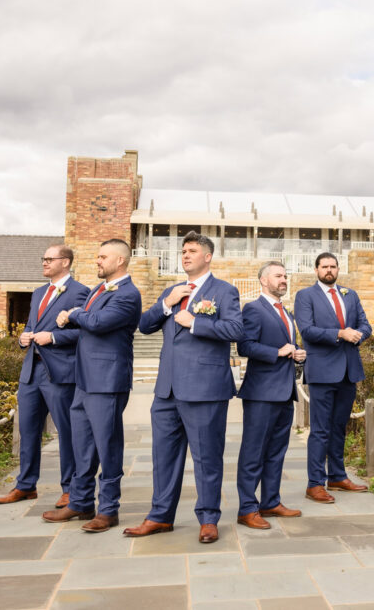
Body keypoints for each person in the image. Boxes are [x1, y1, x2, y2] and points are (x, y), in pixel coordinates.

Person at [123, 232, 242, 544]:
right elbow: (145, 325)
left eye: (192, 251)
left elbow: (235, 329)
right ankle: (160, 516)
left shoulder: (224, 291)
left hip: (204, 389)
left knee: (207, 457)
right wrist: (167, 303)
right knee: (163, 456)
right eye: (183, 251)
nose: (185, 255)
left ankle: (208, 518)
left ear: (207, 257)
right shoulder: (172, 290)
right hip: (167, 390)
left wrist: (196, 323)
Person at [41, 238, 141, 533]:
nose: (97, 261)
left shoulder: (128, 294)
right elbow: (85, 320)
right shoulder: (98, 289)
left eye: (102, 256)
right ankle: (82, 502)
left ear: (119, 261)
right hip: (83, 380)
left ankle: (108, 509)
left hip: (107, 381)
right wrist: (72, 317)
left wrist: (73, 314)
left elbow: (97, 322)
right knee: (81, 444)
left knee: (107, 446)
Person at [0, 246, 89, 508]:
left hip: (59, 372)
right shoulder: (38, 293)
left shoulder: (80, 292)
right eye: (44, 259)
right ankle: (26, 486)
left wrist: (55, 337)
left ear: (66, 262)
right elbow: (31, 326)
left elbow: (86, 332)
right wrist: (24, 337)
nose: (45, 263)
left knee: (67, 432)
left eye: (50, 259)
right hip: (31, 372)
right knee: (27, 431)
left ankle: (71, 488)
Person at [294, 252, 372, 503]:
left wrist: (358, 334)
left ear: (338, 269)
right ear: (316, 270)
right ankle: (314, 484)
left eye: (333, 266)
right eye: (324, 266)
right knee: (320, 430)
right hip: (322, 372)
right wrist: (340, 333)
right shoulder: (305, 296)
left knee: (339, 427)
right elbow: (307, 330)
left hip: (349, 371)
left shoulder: (350, 295)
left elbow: (366, 325)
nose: (329, 270)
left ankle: (337, 476)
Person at [234, 261, 306, 529]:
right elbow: (245, 346)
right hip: (261, 393)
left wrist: (297, 353)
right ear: (263, 281)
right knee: (253, 452)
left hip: (286, 392)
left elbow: (286, 346)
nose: (283, 280)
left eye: (285, 276)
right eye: (278, 276)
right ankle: (247, 508)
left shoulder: (287, 313)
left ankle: (271, 502)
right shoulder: (253, 308)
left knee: (277, 451)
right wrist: (277, 353)